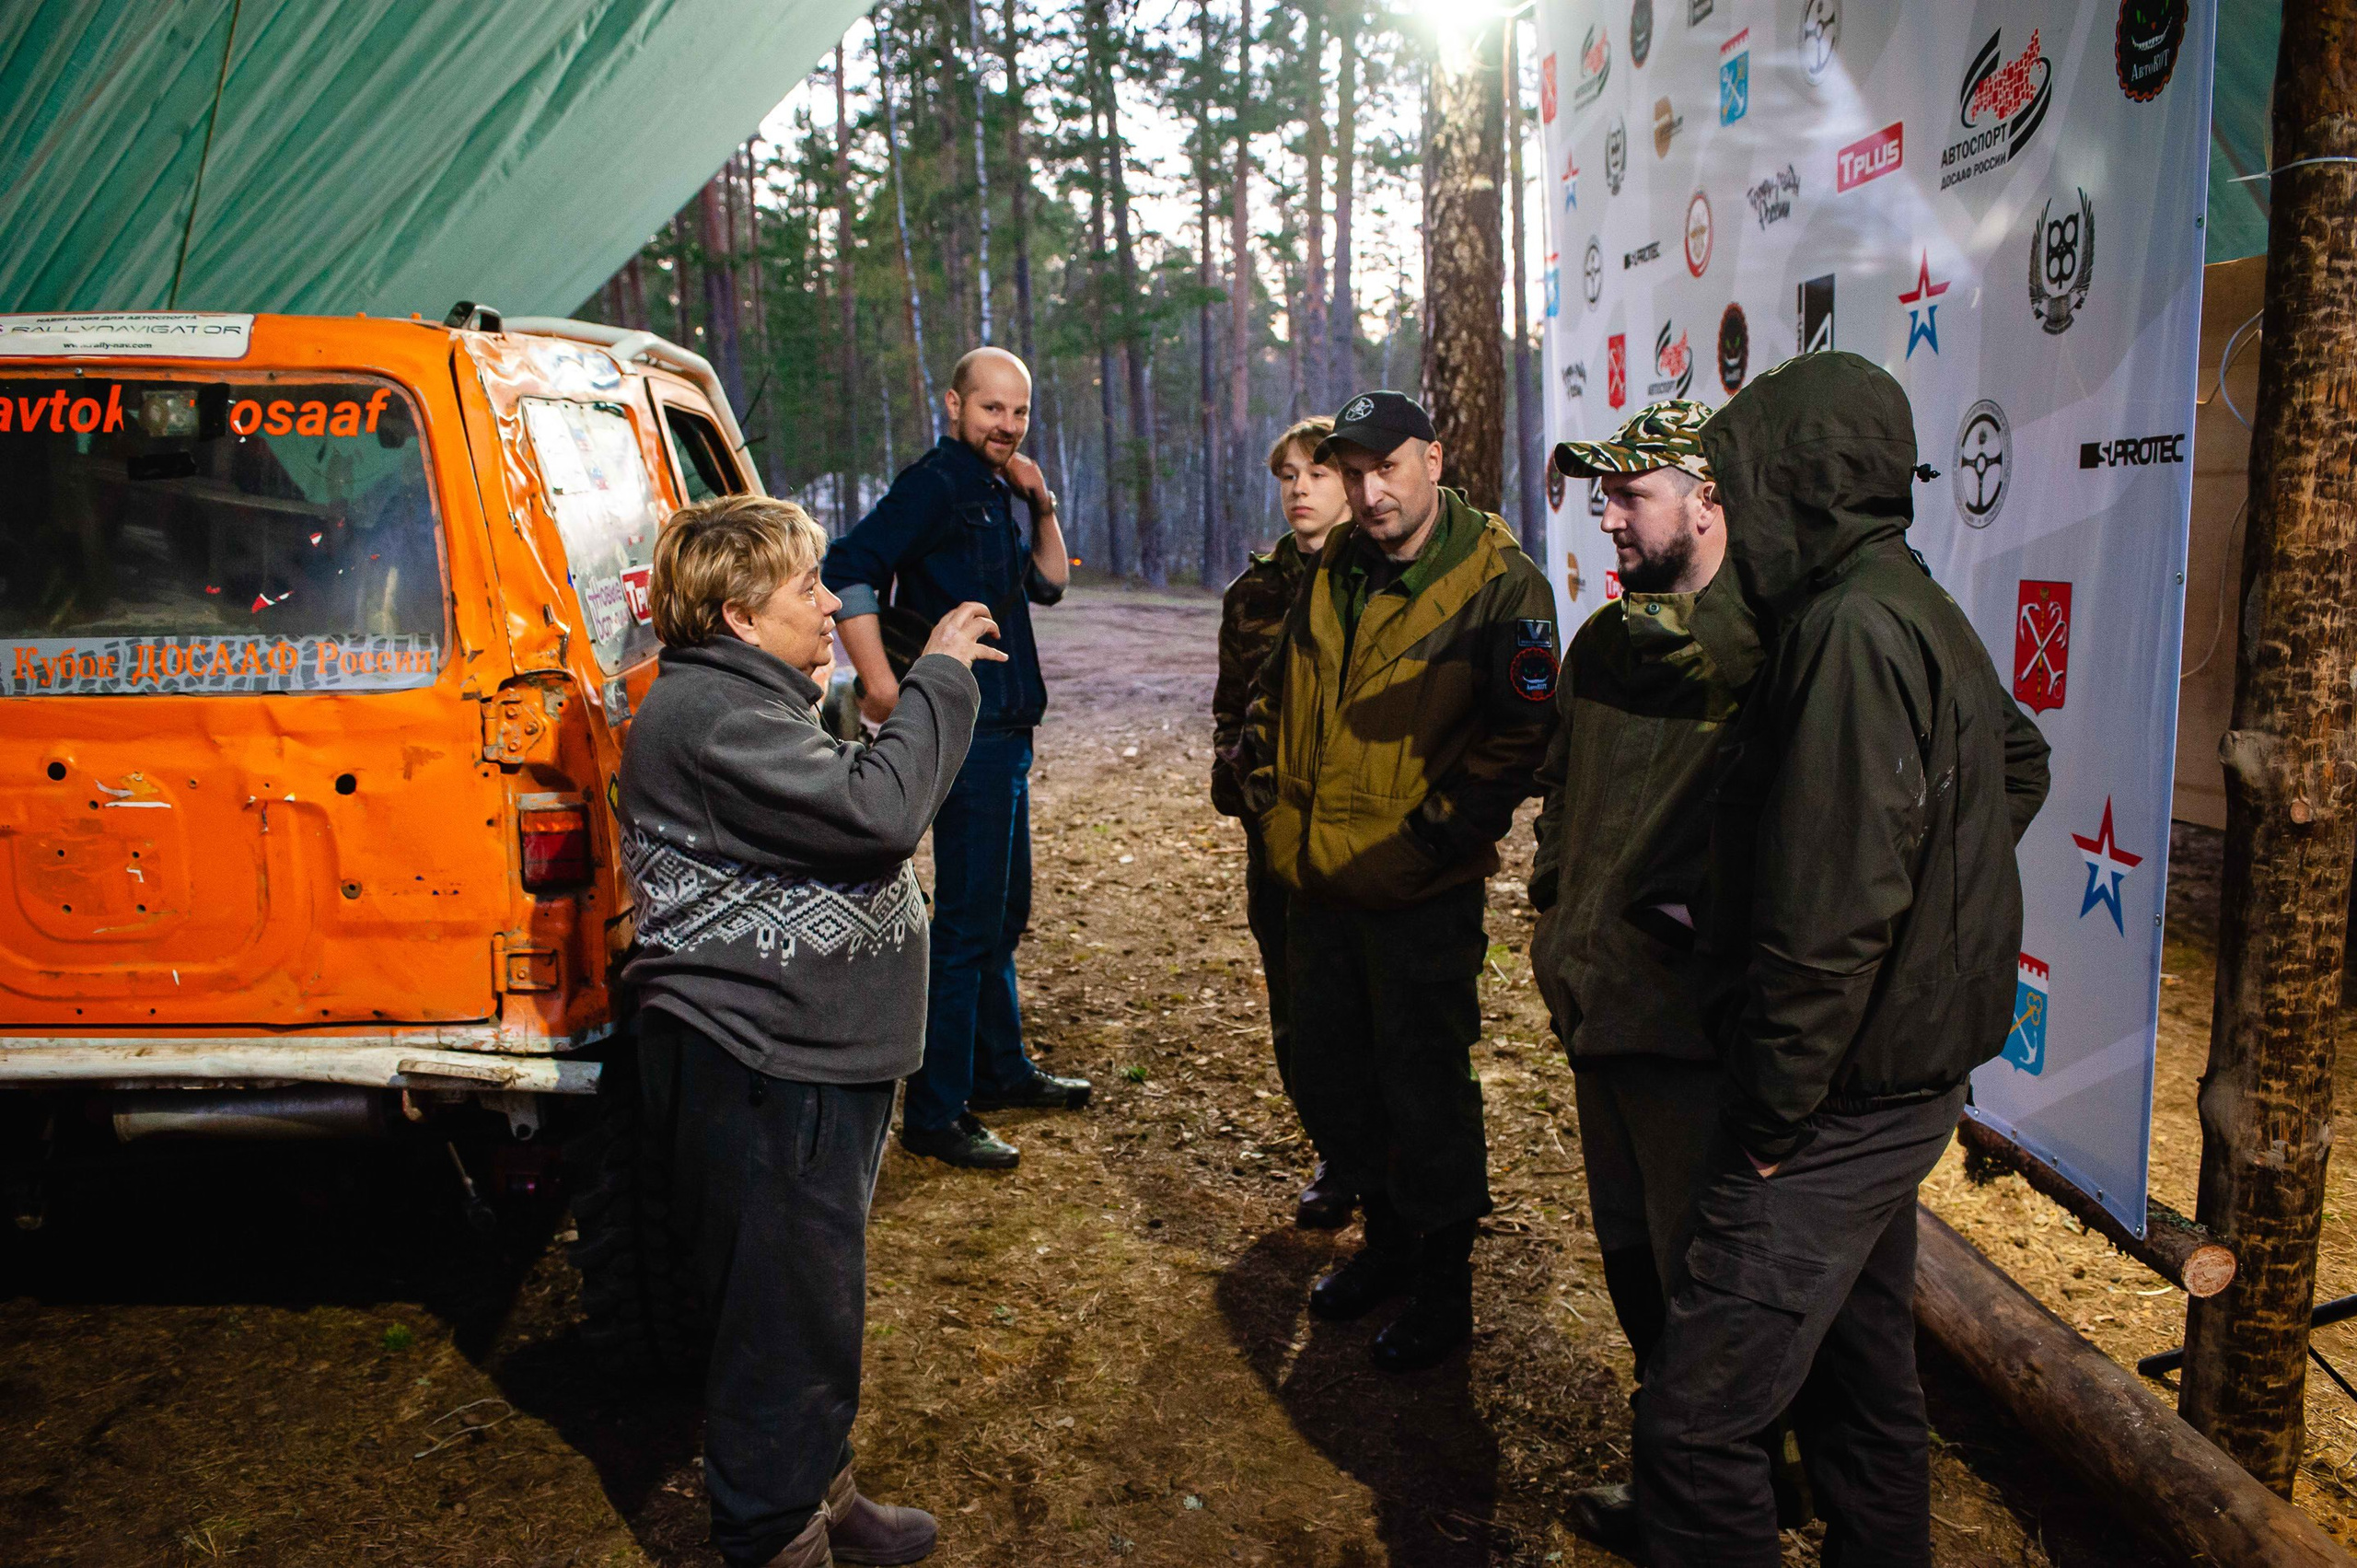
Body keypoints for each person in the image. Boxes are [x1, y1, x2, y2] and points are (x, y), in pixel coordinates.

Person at [1634, 352, 2049, 1565]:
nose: (1728, 504)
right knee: (1862, 1393)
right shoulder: (1898, 599)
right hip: (1888, 1082)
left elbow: (1830, 919)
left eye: (1742, 478)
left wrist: (1770, 1112)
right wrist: (1934, 908)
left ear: (1795, 482)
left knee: (1697, 1427)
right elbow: (2011, 767)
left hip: (1832, 1104)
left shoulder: (1854, 627)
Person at [620, 494, 1009, 1568]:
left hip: (800, 1054)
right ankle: (769, 1536)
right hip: (756, 1061)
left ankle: (816, 1491)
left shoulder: (755, 697)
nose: (830, 605)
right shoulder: (709, 716)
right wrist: (936, 676)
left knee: (813, 1297)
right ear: (741, 616)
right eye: (805, 587)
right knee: (774, 1316)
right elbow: (878, 812)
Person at [1242, 389, 1560, 1373]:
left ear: (1432, 457)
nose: (1369, 491)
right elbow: (1283, 687)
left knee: (1425, 1093)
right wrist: (1264, 786)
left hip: (1417, 893)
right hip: (1318, 879)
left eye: (1387, 468)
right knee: (1340, 1078)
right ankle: (1384, 1249)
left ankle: (1442, 1288)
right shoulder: (1335, 565)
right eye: (1353, 472)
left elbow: (1521, 740)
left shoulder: (1501, 583)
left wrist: (1432, 842)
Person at [1525, 401, 1766, 1543]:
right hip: (1598, 1014)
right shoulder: (1606, 642)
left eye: (1630, 493)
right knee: (1634, 1268)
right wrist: (1551, 907)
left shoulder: (1765, 652)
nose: (1606, 516)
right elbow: (1566, 793)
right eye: (1600, 494)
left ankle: (1718, 1494)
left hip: (1689, 1039)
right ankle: (1695, 1475)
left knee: (1700, 1288)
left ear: (1706, 498)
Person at [824, 346, 1090, 1171]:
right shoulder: (935, 484)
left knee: (1002, 915)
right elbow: (848, 566)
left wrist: (1040, 500)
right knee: (969, 926)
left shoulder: (994, 492)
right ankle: (936, 1114)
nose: (1006, 425)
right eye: (991, 410)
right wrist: (877, 685)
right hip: (966, 736)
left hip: (1008, 734)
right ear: (954, 406)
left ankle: (1000, 1069)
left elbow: (1050, 584)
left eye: (1018, 412)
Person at [1211, 416, 1354, 1228]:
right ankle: (1335, 1149)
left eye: (1317, 474)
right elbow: (1230, 707)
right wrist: (1242, 792)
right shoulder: (1254, 592)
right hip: (1276, 835)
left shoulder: (1373, 580)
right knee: (1295, 1001)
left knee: (1356, 1002)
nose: (1299, 489)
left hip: (1357, 835)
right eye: (1288, 476)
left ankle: (1381, 1156)